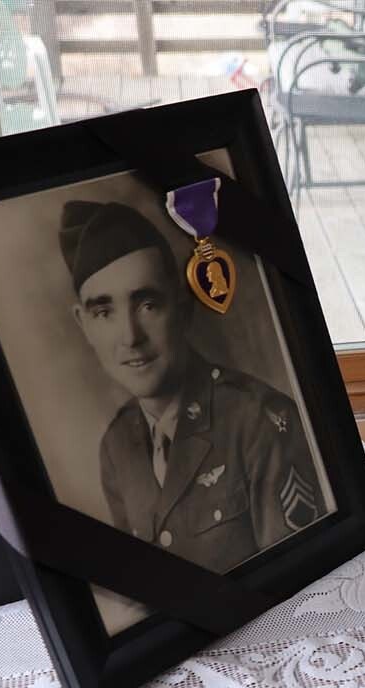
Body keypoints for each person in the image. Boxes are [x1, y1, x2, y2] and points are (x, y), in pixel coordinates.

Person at [59, 200, 323, 572]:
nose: (130, 337)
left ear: (183, 307)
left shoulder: (256, 421)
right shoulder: (116, 447)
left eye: (147, 305)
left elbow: (299, 577)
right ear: (83, 324)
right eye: (104, 312)